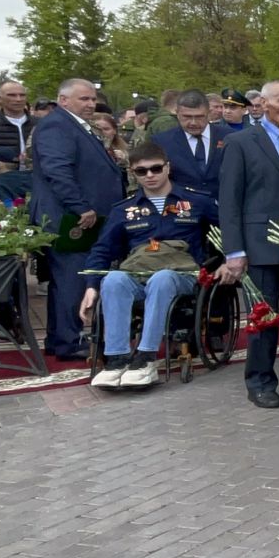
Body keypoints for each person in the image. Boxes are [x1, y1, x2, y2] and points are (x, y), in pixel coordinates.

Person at [78, 142, 216, 389]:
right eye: (142, 171)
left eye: (155, 169)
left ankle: (146, 358)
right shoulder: (124, 210)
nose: (150, 175)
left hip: (181, 276)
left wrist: (229, 261)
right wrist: (91, 287)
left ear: (167, 167)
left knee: (162, 278)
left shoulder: (197, 201)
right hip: (138, 274)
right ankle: (117, 359)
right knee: (113, 279)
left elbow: (227, 233)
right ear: (133, 172)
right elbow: (102, 249)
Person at [218, 80, 279, 409]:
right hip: (259, 247)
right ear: (263, 104)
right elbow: (229, 201)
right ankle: (259, 381)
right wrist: (234, 251)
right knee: (264, 318)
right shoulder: (241, 142)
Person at [29, 78, 126, 361]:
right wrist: (80, 206)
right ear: (63, 100)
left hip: (80, 216)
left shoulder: (74, 125)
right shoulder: (57, 125)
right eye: (83, 99)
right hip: (69, 218)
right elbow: (57, 170)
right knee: (72, 279)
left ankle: (61, 337)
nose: (90, 104)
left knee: (71, 278)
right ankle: (68, 341)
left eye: (93, 99)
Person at [153, 90, 231, 200]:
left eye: (199, 117)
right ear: (177, 113)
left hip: (223, 208)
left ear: (208, 113)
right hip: (181, 210)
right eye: (187, 117)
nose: (193, 122)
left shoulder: (230, 137)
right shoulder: (162, 141)